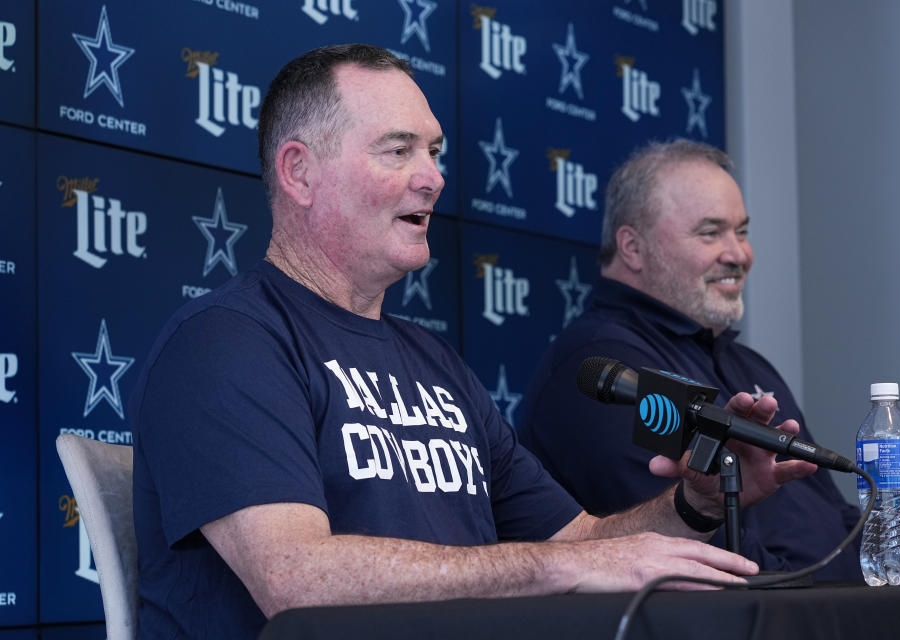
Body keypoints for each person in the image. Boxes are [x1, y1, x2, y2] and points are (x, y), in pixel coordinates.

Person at [129, 46, 815, 638]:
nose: (433, 176)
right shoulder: (225, 343)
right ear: (300, 172)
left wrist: (692, 501)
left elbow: (582, 540)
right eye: (398, 150)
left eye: (434, 152)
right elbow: (295, 578)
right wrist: (563, 569)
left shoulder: (434, 362)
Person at [518, 139, 862, 581]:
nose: (738, 254)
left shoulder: (749, 365)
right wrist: (831, 605)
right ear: (633, 248)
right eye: (710, 232)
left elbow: (833, 512)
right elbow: (696, 546)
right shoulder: (607, 362)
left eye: (742, 231)